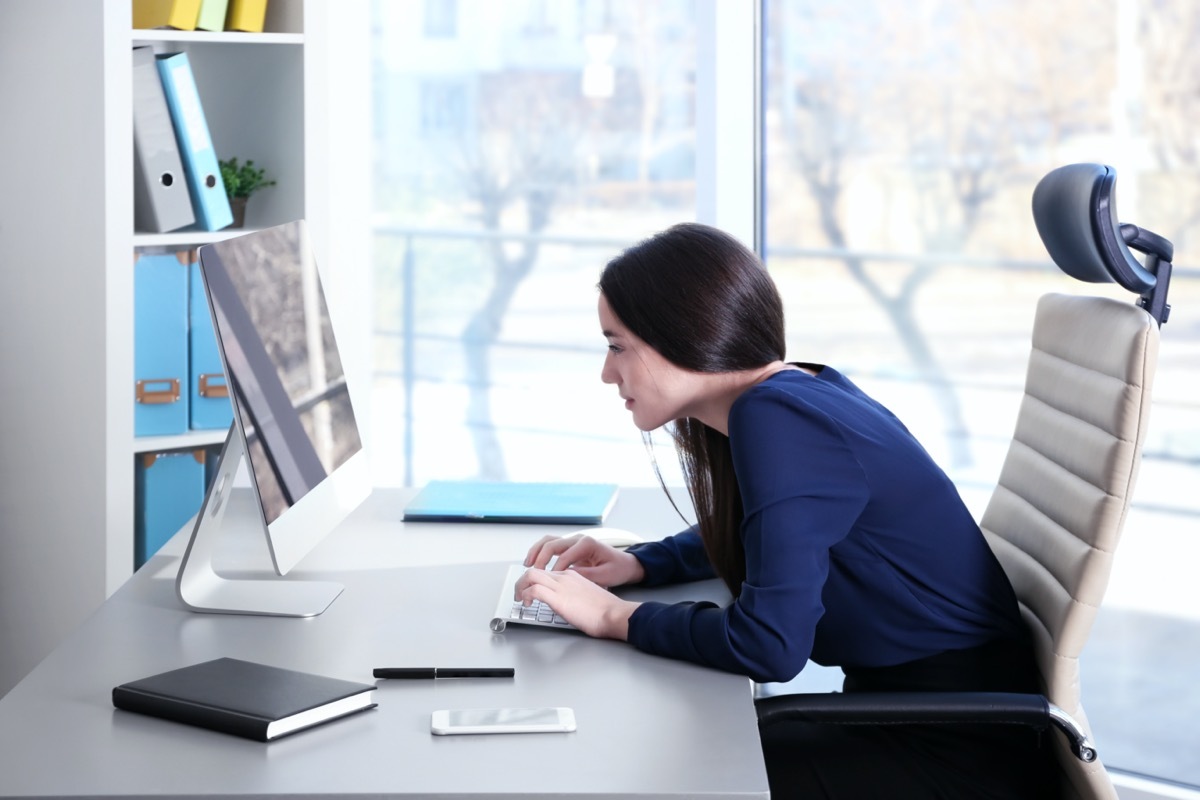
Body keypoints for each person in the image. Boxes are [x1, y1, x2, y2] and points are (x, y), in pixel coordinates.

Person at [515, 222, 1055, 799]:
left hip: (952, 750)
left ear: (682, 332)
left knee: (646, 769)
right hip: (930, 717)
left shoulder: (778, 419)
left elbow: (768, 646)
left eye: (617, 345)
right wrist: (643, 565)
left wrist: (613, 618)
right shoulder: (799, 392)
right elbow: (780, 526)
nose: (607, 372)